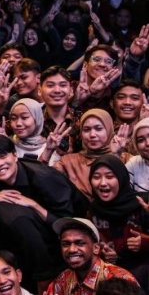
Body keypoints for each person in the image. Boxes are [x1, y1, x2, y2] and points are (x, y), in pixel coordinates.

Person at [0, 134, 80, 223]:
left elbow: (67, 223)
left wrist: (34, 205)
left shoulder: (45, 178)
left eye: (3, 156)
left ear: (15, 155)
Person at [88, 155, 149, 291]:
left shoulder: (142, 203)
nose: (103, 183)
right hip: (110, 273)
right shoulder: (92, 211)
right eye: (97, 177)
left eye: (109, 176)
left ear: (121, 178)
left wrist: (144, 242)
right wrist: (104, 255)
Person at [53, 109, 131, 201]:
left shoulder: (127, 159)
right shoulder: (68, 162)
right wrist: (48, 150)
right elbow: (44, 183)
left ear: (109, 129)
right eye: (86, 130)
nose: (92, 134)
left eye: (98, 129)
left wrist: (114, 156)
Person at [47, 217, 138, 294]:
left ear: (96, 248)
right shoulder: (63, 280)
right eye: (66, 244)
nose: (72, 249)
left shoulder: (120, 280)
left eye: (80, 243)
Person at [7, 98, 59, 164]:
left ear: (37, 119)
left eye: (24, 117)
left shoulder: (50, 146)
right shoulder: (9, 143)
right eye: (13, 118)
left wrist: (48, 152)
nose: (18, 123)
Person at [127, 117, 149, 192]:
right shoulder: (134, 163)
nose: (148, 143)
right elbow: (123, 194)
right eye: (141, 140)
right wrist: (115, 154)